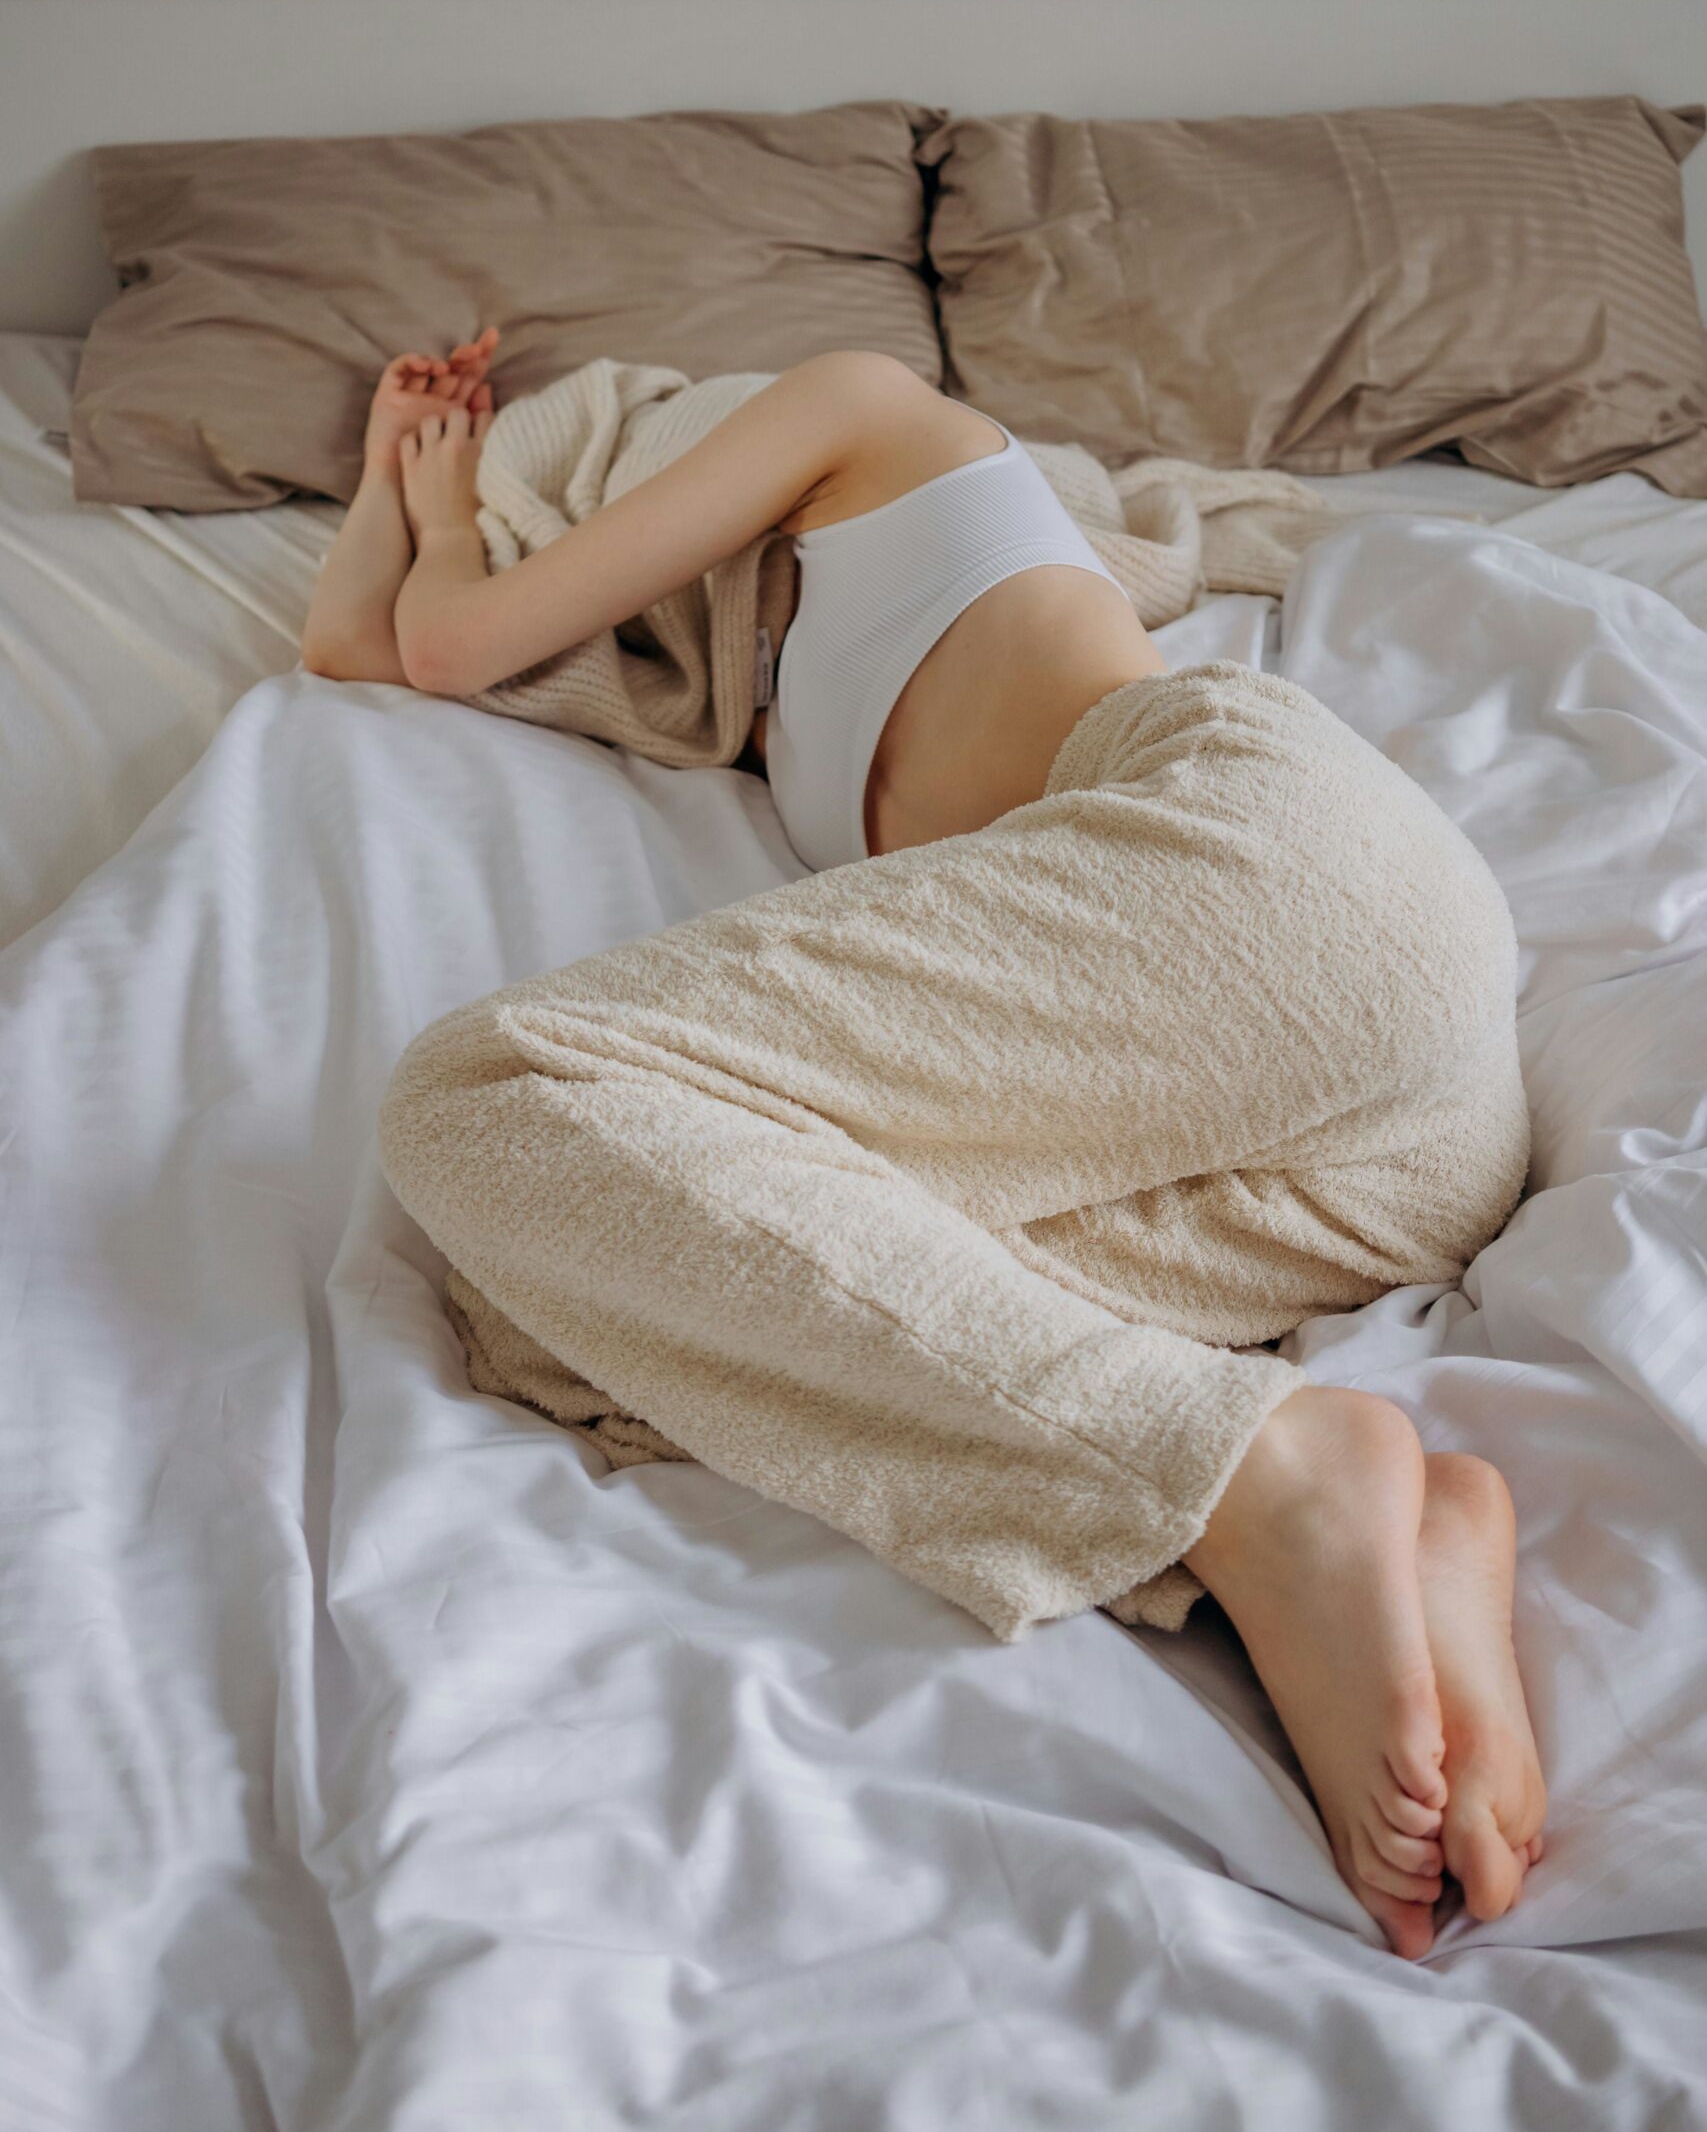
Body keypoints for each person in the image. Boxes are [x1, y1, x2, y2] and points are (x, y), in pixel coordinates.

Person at [304, 327, 1547, 1960]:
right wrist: (397, 482)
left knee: (493, 1102)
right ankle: (1417, 1534)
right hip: (1366, 1167)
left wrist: (455, 520)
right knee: (569, 1319)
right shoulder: (756, 696)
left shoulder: (864, 403)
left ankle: (1259, 1476)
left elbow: (452, 642)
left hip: (1278, 865)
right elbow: (358, 649)